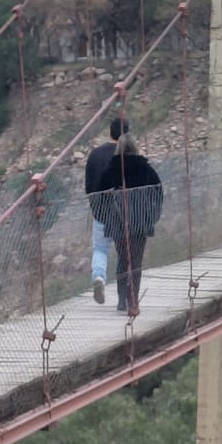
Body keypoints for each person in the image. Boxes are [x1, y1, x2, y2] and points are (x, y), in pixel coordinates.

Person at [85, 118, 163, 312]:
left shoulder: (112, 169)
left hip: (118, 223)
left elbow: (99, 194)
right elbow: (158, 193)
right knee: (136, 261)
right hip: (141, 223)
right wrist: (152, 217)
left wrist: (106, 216)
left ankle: (121, 301)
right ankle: (133, 300)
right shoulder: (146, 168)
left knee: (122, 259)